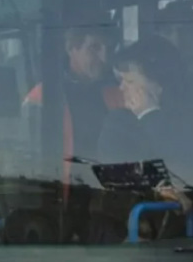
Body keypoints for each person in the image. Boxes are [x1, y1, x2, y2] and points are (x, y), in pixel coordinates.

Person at [97, 39, 193, 209]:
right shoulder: (117, 123)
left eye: (129, 81)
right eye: (121, 80)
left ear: (159, 86)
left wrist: (150, 114)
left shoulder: (189, 119)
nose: (121, 88)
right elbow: (116, 172)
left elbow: (182, 166)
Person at [24, 24, 125, 164]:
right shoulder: (43, 95)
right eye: (94, 48)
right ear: (71, 49)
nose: (104, 58)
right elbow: (26, 152)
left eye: (109, 49)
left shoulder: (120, 92)